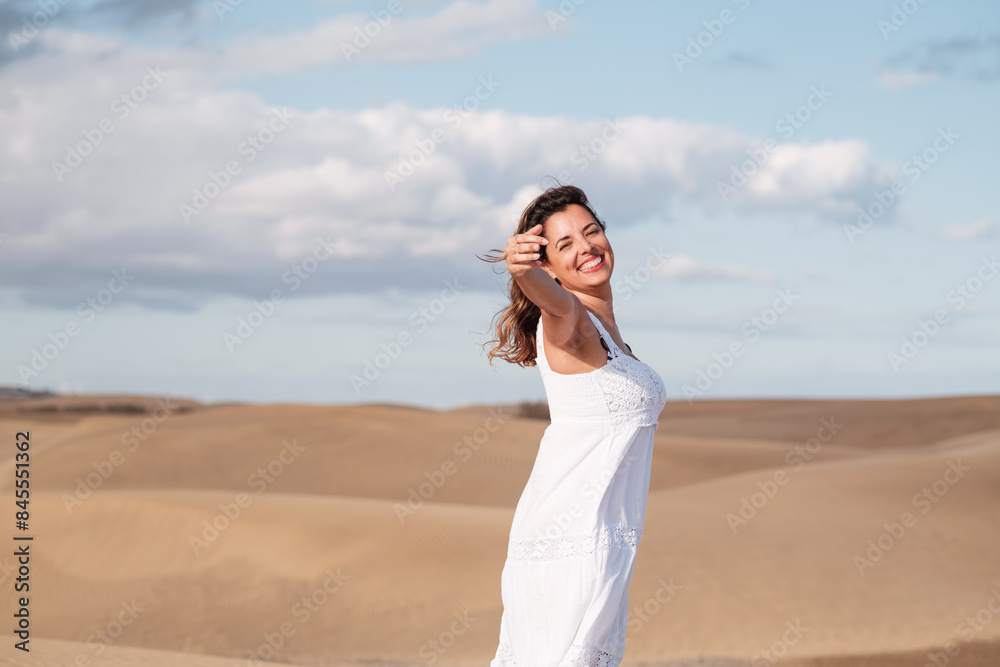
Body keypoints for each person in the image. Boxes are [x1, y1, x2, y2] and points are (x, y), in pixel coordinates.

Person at [479, 184, 667, 666]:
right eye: (565, 244)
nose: (586, 247)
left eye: (592, 231)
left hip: (602, 534)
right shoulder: (569, 320)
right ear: (549, 268)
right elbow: (556, 303)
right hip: (571, 535)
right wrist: (522, 271)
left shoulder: (607, 332)